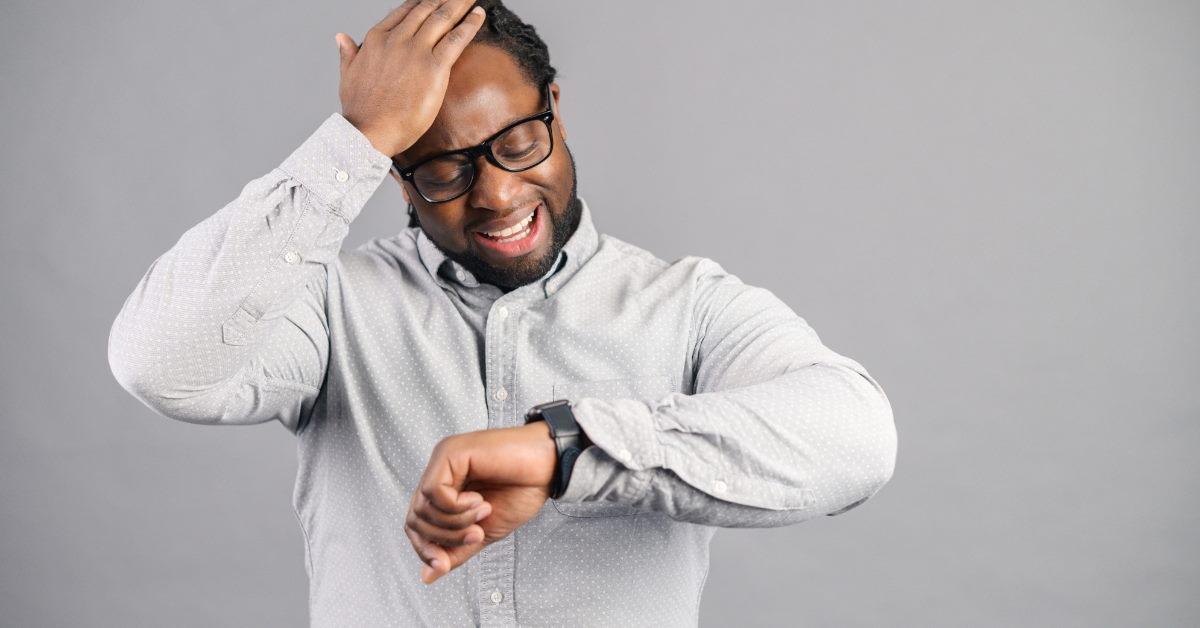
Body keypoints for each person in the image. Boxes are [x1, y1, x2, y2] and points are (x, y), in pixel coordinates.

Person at [108, 0, 898, 625]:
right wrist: (354, 140)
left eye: (518, 142)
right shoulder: (329, 305)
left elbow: (857, 438)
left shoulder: (687, 305)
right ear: (397, 175)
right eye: (443, 167)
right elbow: (159, 364)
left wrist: (566, 451)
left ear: (555, 106)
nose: (496, 194)